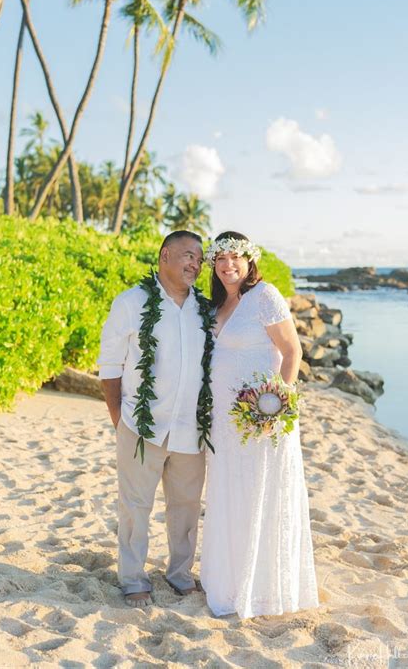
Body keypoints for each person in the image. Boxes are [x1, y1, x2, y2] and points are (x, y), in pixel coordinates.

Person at [200, 231, 319, 619]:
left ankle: (264, 588)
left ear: (250, 261)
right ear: (213, 265)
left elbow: (292, 351)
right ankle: (230, 581)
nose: (228, 265)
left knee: (260, 493)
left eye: (235, 258)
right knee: (230, 491)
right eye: (220, 259)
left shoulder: (264, 296)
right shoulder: (220, 304)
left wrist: (276, 406)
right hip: (224, 421)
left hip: (261, 419)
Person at [97, 231, 214, 608]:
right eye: (186, 254)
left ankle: (180, 574)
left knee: (186, 507)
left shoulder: (206, 310)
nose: (194, 263)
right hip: (141, 425)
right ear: (165, 255)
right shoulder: (131, 302)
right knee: (135, 505)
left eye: (199, 258)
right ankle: (132, 577)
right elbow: (110, 366)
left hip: (190, 430)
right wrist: (120, 420)